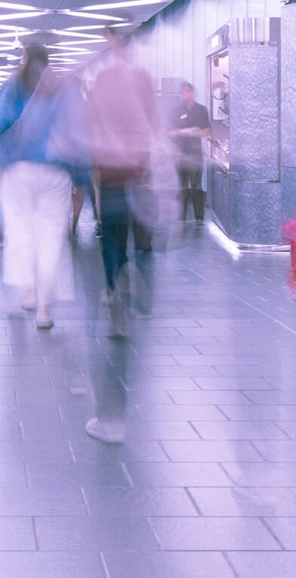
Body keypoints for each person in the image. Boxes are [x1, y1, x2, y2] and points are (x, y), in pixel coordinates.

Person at [0, 42, 84, 331]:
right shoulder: (65, 88)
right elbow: (79, 133)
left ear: (25, 57)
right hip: (56, 171)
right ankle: (44, 309)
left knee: (21, 231)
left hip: (18, 170)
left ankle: (28, 289)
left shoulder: (14, 85)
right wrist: (81, 177)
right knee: (52, 237)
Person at [88, 26, 161, 341]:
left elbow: (90, 121)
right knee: (134, 234)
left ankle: (114, 287)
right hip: (135, 168)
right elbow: (153, 121)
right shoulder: (143, 78)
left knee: (112, 235)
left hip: (110, 168)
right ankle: (128, 281)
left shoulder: (103, 80)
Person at [169, 82, 210, 226]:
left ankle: (199, 218)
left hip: (195, 155)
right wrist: (183, 132)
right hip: (180, 154)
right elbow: (170, 132)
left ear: (192, 92)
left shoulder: (201, 110)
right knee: (181, 185)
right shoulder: (175, 111)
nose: (183, 95)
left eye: (186, 91)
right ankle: (181, 217)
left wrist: (195, 133)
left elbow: (207, 131)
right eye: (181, 92)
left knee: (196, 185)